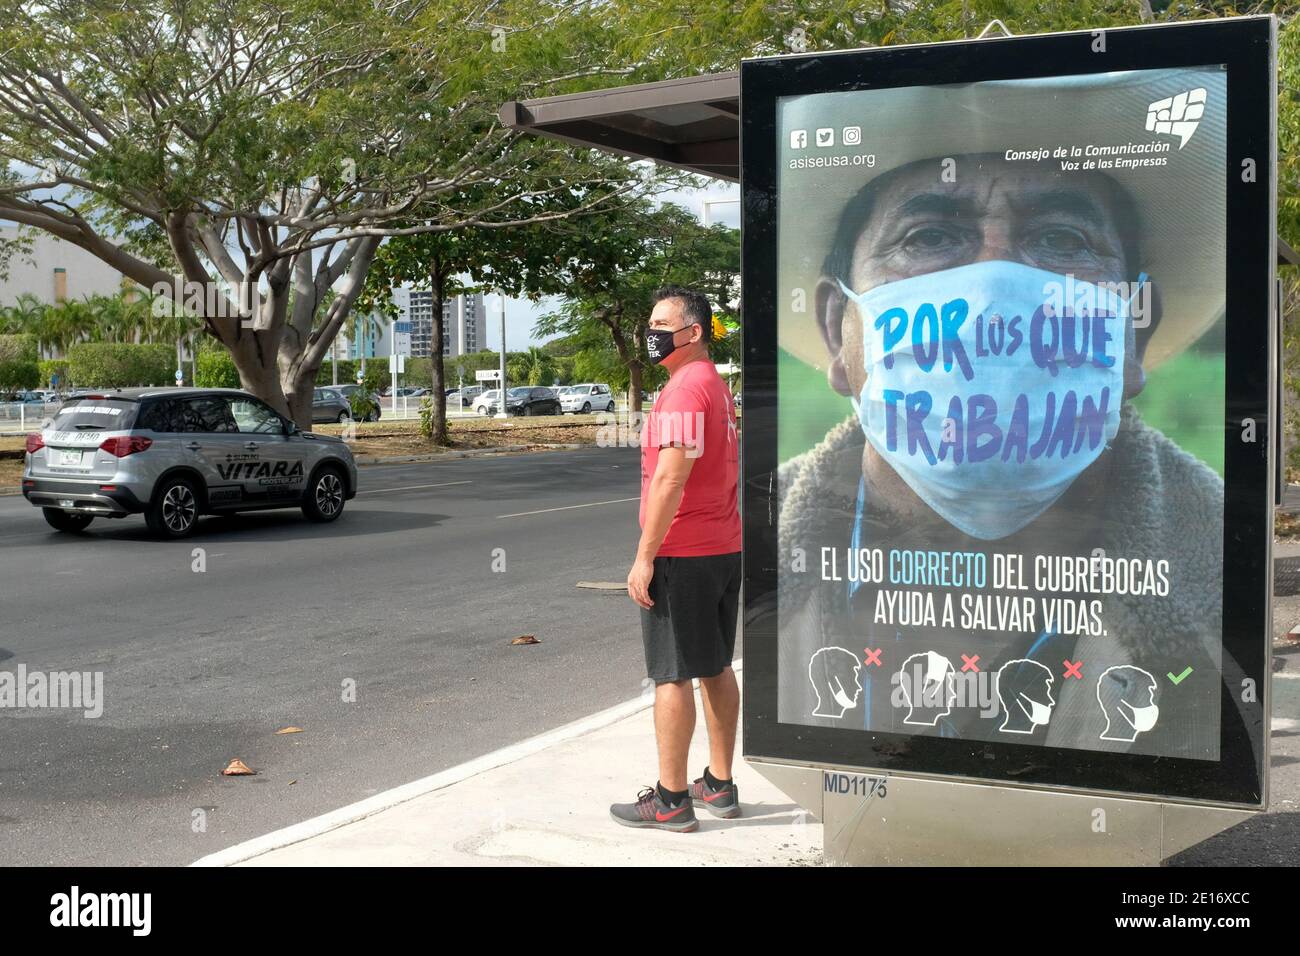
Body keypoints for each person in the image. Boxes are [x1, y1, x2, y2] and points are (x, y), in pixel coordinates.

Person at [778, 148, 1225, 759]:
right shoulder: (758, 535)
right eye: (929, 236)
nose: (993, 287)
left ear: (1134, 335)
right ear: (837, 329)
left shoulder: (1226, 563)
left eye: (1064, 240)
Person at [610, 286, 743, 833]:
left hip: (682, 553)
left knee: (672, 675)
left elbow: (671, 475)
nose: (652, 331)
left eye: (662, 322)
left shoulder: (687, 390)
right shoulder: (714, 386)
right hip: (723, 547)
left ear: (693, 332)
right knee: (714, 666)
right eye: (650, 320)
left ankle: (669, 799)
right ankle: (718, 783)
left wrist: (645, 558)